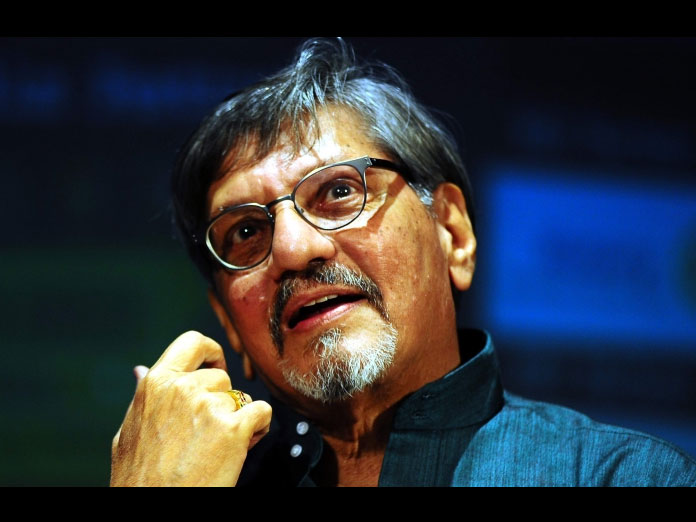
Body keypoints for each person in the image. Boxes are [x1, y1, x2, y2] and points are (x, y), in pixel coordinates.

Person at [110, 38, 696, 487]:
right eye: (244, 232)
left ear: (452, 234)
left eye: (339, 191)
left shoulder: (624, 477)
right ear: (228, 323)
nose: (293, 249)